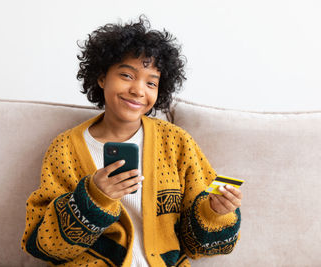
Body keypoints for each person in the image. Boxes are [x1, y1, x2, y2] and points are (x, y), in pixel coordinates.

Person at [21, 15, 243, 267]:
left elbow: (195, 245)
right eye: (127, 75)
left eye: (151, 82)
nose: (139, 90)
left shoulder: (176, 142)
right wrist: (93, 197)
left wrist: (215, 213)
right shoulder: (65, 149)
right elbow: (45, 245)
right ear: (102, 77)